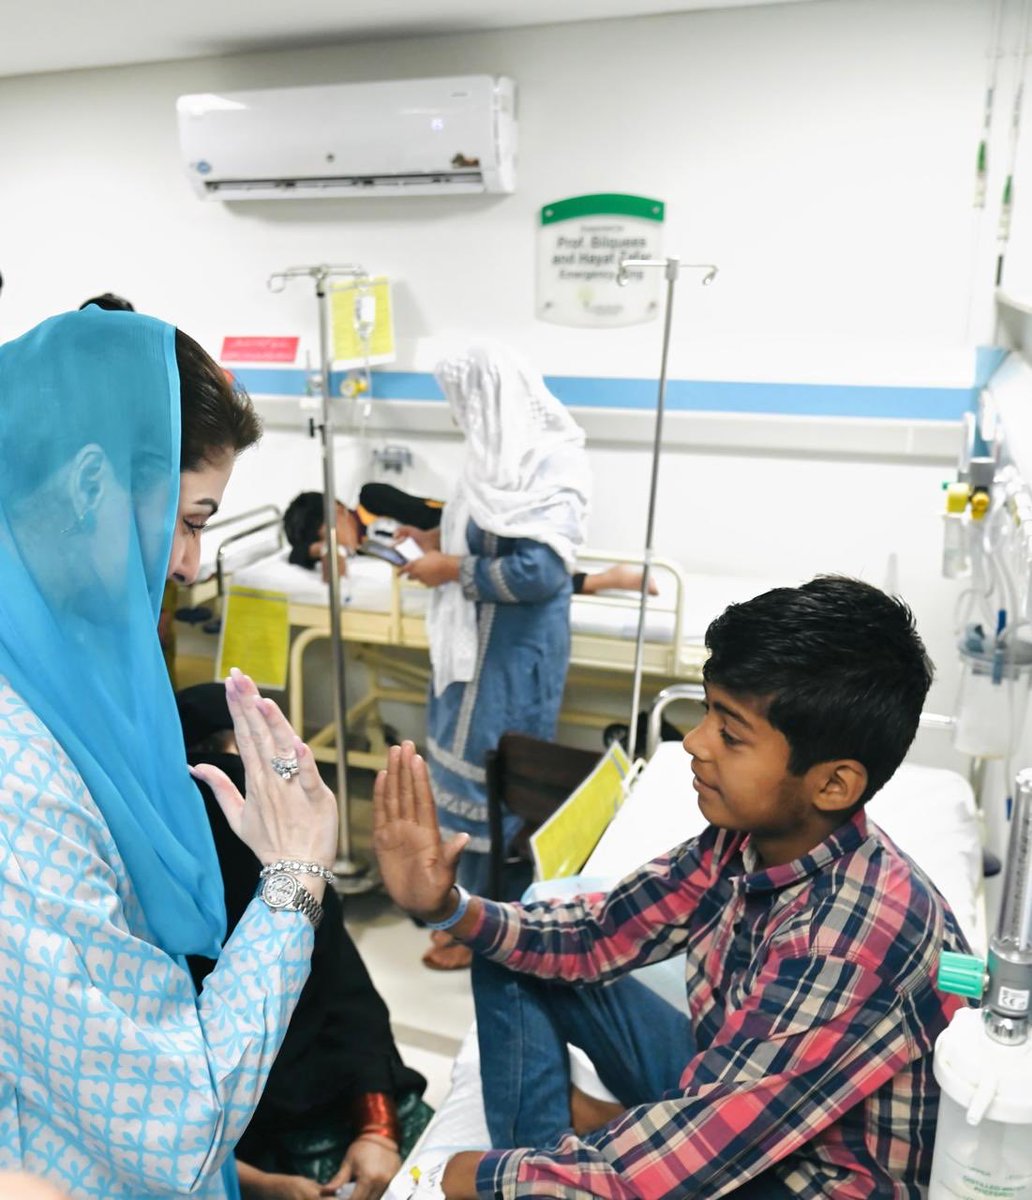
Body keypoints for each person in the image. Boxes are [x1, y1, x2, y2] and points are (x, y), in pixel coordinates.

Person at [373, 576, 971, 1198]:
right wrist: (448, 908)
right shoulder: (744, 842)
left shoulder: (849, 941)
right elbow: (594, 933)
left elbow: (707, 1153)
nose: (694, 741)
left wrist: (484, 1179)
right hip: (740, 1093)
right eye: (708, 710)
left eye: (731, 734)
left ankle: (564, 1169)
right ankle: (558, 1161)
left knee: (524, 1176)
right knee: (512, 956)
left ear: (834, 785)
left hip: (814, 1176)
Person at [0, 308, 340, 1199]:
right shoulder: (17, 777)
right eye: (189, 521)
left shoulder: (61, 661)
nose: (188, 563)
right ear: (87, 485)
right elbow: (173, 1120)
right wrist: (295, 879)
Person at [177, 682, 433, 1200]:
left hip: (335, 1103)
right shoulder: (155, 926)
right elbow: (161, 1108)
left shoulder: (296, 880)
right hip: (220, 1156)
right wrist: (256, 1186)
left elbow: (350, 1000)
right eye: (221, 761)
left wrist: (377, 1128)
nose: (250, 788)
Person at [390, 346, 591, 969]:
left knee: (501, 788)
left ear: (493, 399)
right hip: (471, 651)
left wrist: (453, 567)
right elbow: (476, 531)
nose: (459, 416)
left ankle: (491, 931)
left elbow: (544, 570)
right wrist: (433, 542)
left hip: (513, 658)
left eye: (465, 403)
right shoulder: (488, 460)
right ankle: (462, 912)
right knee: (461, 785)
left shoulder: (551, 463)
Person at [284, 486, 654, 597]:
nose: (337, 539)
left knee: (525, 570)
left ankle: (609, 578)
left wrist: (433, 541)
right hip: (446, 560)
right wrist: (322, 549)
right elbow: (297, 557)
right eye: (324, 539)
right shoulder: (357, 550)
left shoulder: (372, 501)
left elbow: (432, 510)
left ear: (338, 508)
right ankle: (606, 579)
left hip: (460, 533)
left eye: (331, 527)